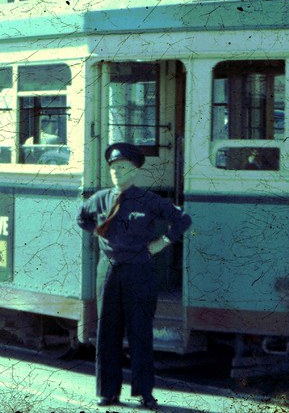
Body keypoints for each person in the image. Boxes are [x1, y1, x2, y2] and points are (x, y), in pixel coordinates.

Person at [77, 142, 192, 409]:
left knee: (140, 332)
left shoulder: (148, 200)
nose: (117, 172)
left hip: (139, 271)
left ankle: (144, 392)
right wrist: (98, 233)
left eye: (123, 167)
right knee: (107, 332)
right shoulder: (100, 198)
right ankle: (107, 392)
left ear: (135, 171)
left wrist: (162, 242)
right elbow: (82, 218)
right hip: (108, 271)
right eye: (114, 168)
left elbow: (182, 220)